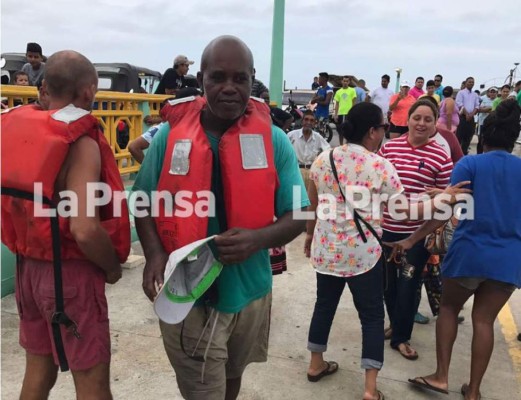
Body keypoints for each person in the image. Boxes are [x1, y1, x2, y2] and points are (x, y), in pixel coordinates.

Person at [133, 35, 309, 400]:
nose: (229, 88)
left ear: (252, 79)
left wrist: (258, 239)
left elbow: (300, 213)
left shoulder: (275, 140)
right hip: (189, 296)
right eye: (218, 78)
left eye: (239, 79)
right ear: (201, 80)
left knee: (232, 378)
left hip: (251, 292)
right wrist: (153, 254)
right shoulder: (168, 137)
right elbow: (142, 201)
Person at [1, 50, 130, 399]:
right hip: (69, 276)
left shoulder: (13, 128)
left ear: (44, 89)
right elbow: (84, 229)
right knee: (91, 382)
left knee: (38, 372)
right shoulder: (80, 141)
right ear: (89, 92)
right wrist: (113, 268)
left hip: (27, 271)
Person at [392, 100, 521, 400]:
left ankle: (441, 377)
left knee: (449, 309)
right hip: (507, 261)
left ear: (483, 136)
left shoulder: (470, 165)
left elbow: (442, 211)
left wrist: (411, 240)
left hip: (469, 253)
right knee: (484, 321)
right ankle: (474, 391)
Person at [378, 100, 454, 361]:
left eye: (428, 119)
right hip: (386, 231)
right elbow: (376, 188)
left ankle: (401, 338)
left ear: (435, 124)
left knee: (409, 285)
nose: (421, 123)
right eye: (417, 118)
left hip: (418, 236)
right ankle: (396, 325)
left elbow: (446, 205)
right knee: (388, 286)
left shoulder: (441, 157)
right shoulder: (388, 149)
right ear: (407, 119)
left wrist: (413, 239)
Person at [287, 110, 331, 191]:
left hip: (312, 173)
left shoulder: (318, 137)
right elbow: (284, 152)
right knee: (297, 198)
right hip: (296, 172)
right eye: (306, 119)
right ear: (302, 121)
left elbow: (328, 151)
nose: (308, 122)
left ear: (314, 123)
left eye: (311, 120)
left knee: (310, 199)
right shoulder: (292, 135)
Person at [455, 77, 480, 155]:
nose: (471, 83)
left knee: (468, 137)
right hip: (462, 117)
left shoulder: (475, 94)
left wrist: (471, 114)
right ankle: (456, 155)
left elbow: (477, 105)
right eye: (469, 82)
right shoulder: (461, 93)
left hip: (471, 118)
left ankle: (464, 153)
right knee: (459, 137)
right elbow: (459, 104)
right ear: (466, 83)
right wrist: (466, 114)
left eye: (472, 82)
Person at [333, 76, 357, 145]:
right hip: (341, 113)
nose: (345, 82)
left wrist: (353, 113)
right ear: (342, 81)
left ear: (349, 82)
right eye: (344, 81)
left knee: (349, 130)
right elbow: (337, 104)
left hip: (348, 113)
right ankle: (341, 144)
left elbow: (354, 102)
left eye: (347, 81)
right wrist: (335, 114)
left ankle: (348, 144)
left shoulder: (352, 90)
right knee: (340, 130)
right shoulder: (338, 92)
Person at [476, 87, 497, 154]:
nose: (492, 93)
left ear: (496, 93)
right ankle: (479, 155)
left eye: (494, 92)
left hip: (493, 124)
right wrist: (490, 108)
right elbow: (480, 109)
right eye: (491, 92)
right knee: (481, 140)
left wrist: (486, 109)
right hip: (482, 123)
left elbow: (495, 112)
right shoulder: (484, 99)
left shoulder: (497, 101)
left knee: (491, 141)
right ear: (489, 93)